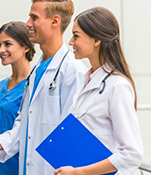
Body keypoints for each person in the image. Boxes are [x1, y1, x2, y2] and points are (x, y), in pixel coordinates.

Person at [0, 0, 87, 175]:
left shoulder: (73, 72)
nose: (28, 23)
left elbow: (71, 134)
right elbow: (24, 124)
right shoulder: (36, 71)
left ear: (55, 21)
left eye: (34, 17)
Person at [54, 7, 143, 175]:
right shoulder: (86, 81)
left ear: (96, 40)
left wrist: (79, 172)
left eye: (76, 36)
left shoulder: (117, 86)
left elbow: (132, 154)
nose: (71, 42)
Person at [0, 21, 35, 175]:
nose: (1, 50)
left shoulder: (34, 86)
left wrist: (2, 141)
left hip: (18, 166)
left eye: (7, 44)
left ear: (26, 46)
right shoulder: (1, 85)